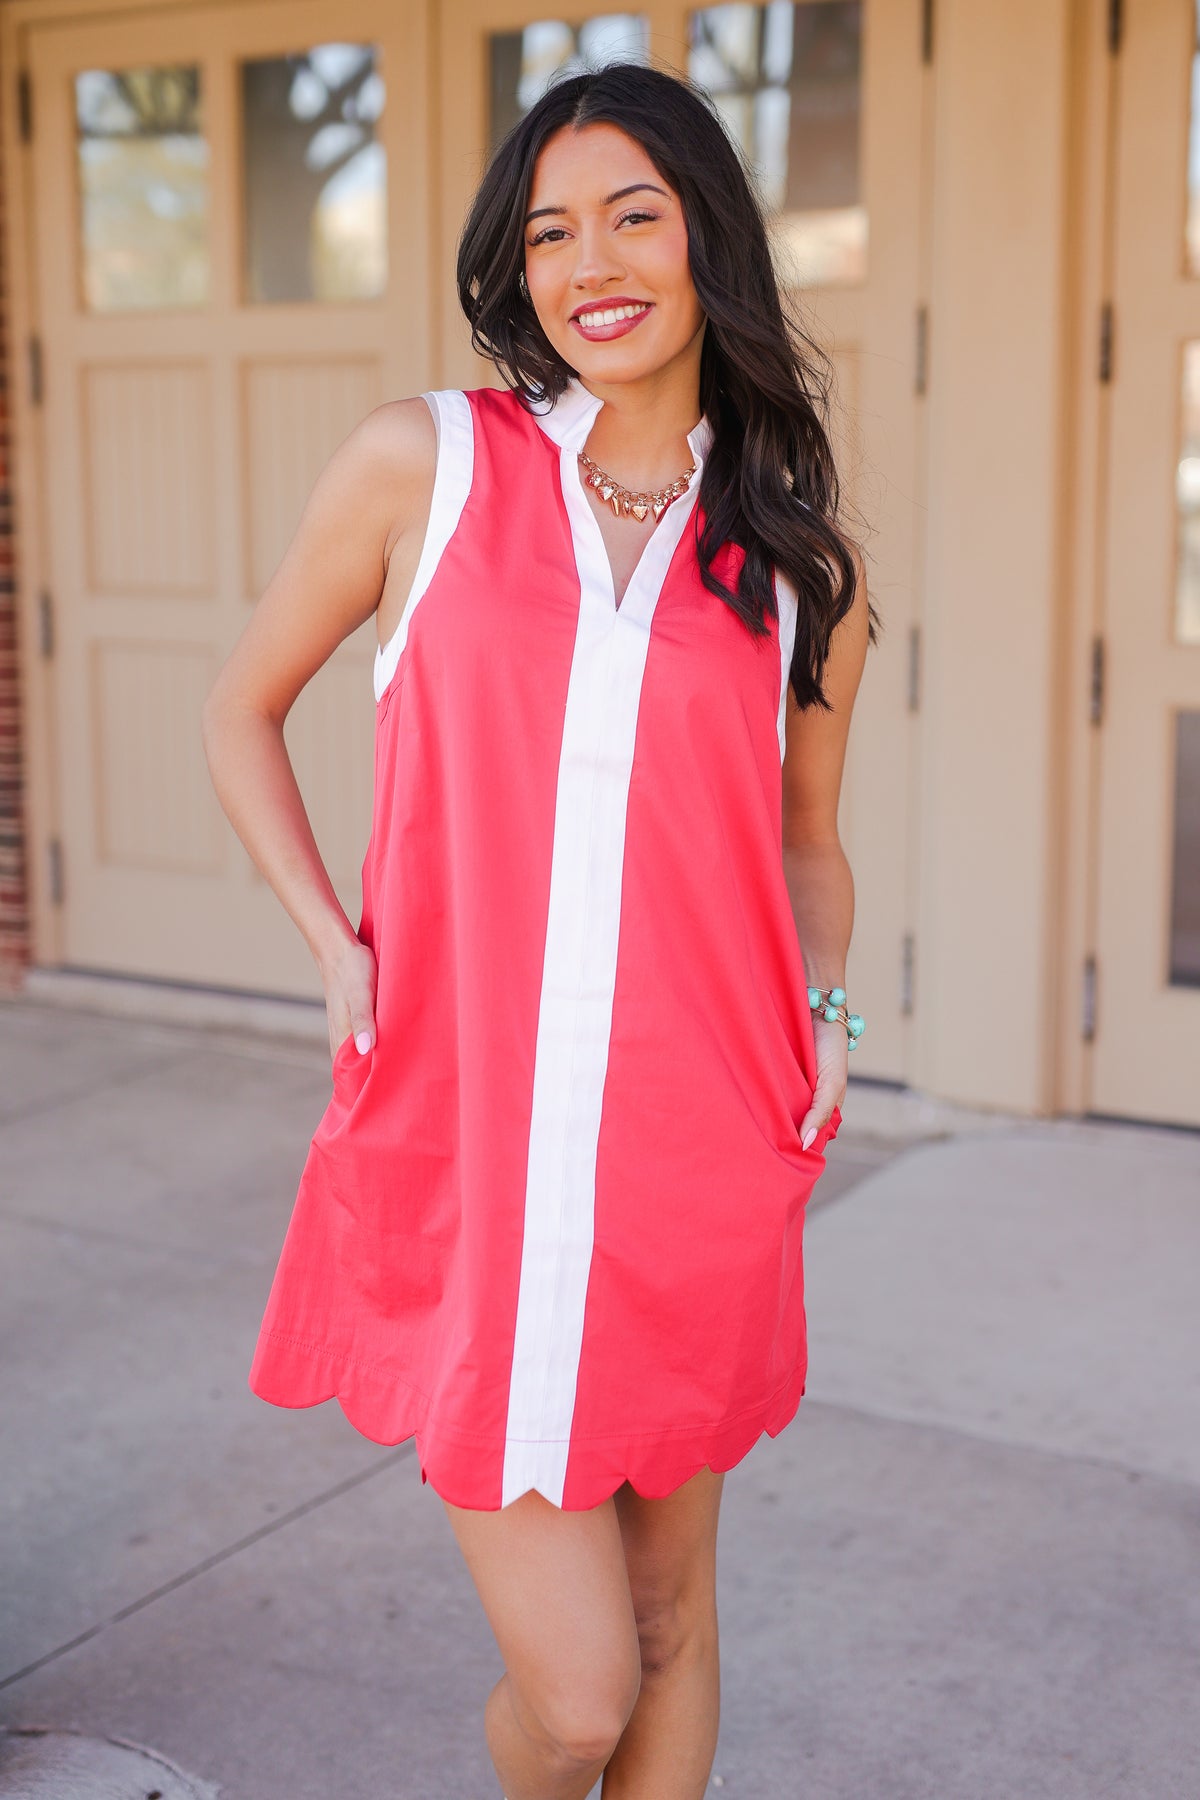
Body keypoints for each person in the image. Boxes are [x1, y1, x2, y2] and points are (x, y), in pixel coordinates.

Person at [202, 57, 878, 1800]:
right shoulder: (420, 467)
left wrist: (821, 1006)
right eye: (551, 230)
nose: (593, 263)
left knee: (671, 1623)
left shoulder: (803, 568)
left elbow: (807, 842)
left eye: (634, 216)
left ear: (708, 236)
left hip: (702, 1144)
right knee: (576, 1697)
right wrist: (335, 946)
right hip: (471, 1144)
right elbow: (239, 711)